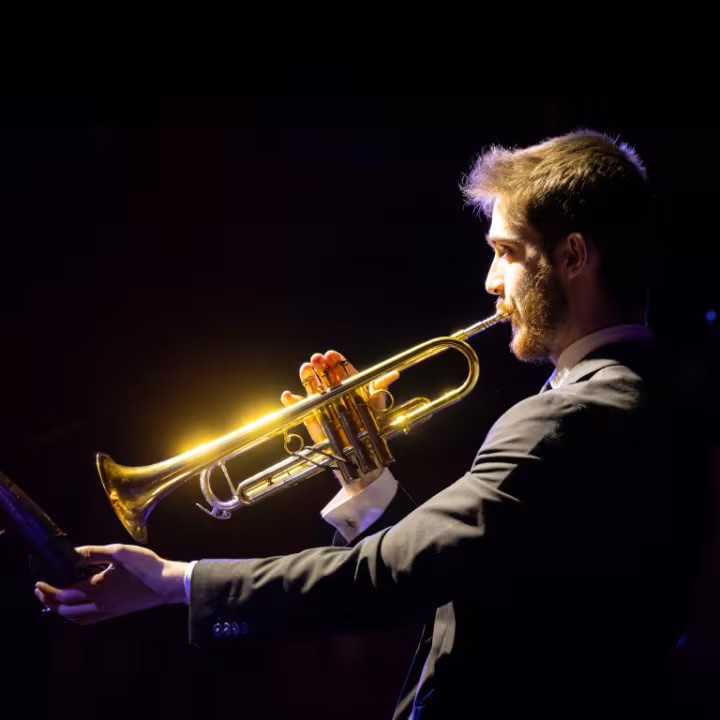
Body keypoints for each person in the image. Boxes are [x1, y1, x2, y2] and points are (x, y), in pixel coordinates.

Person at [34, 129, 705, 718]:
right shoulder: (647, 402)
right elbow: (467, 589)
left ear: (573, 257)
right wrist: (362, 471)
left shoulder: (570, 418)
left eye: (505, 251)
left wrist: (176, 582)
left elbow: (385, 579)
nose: (490, 281)